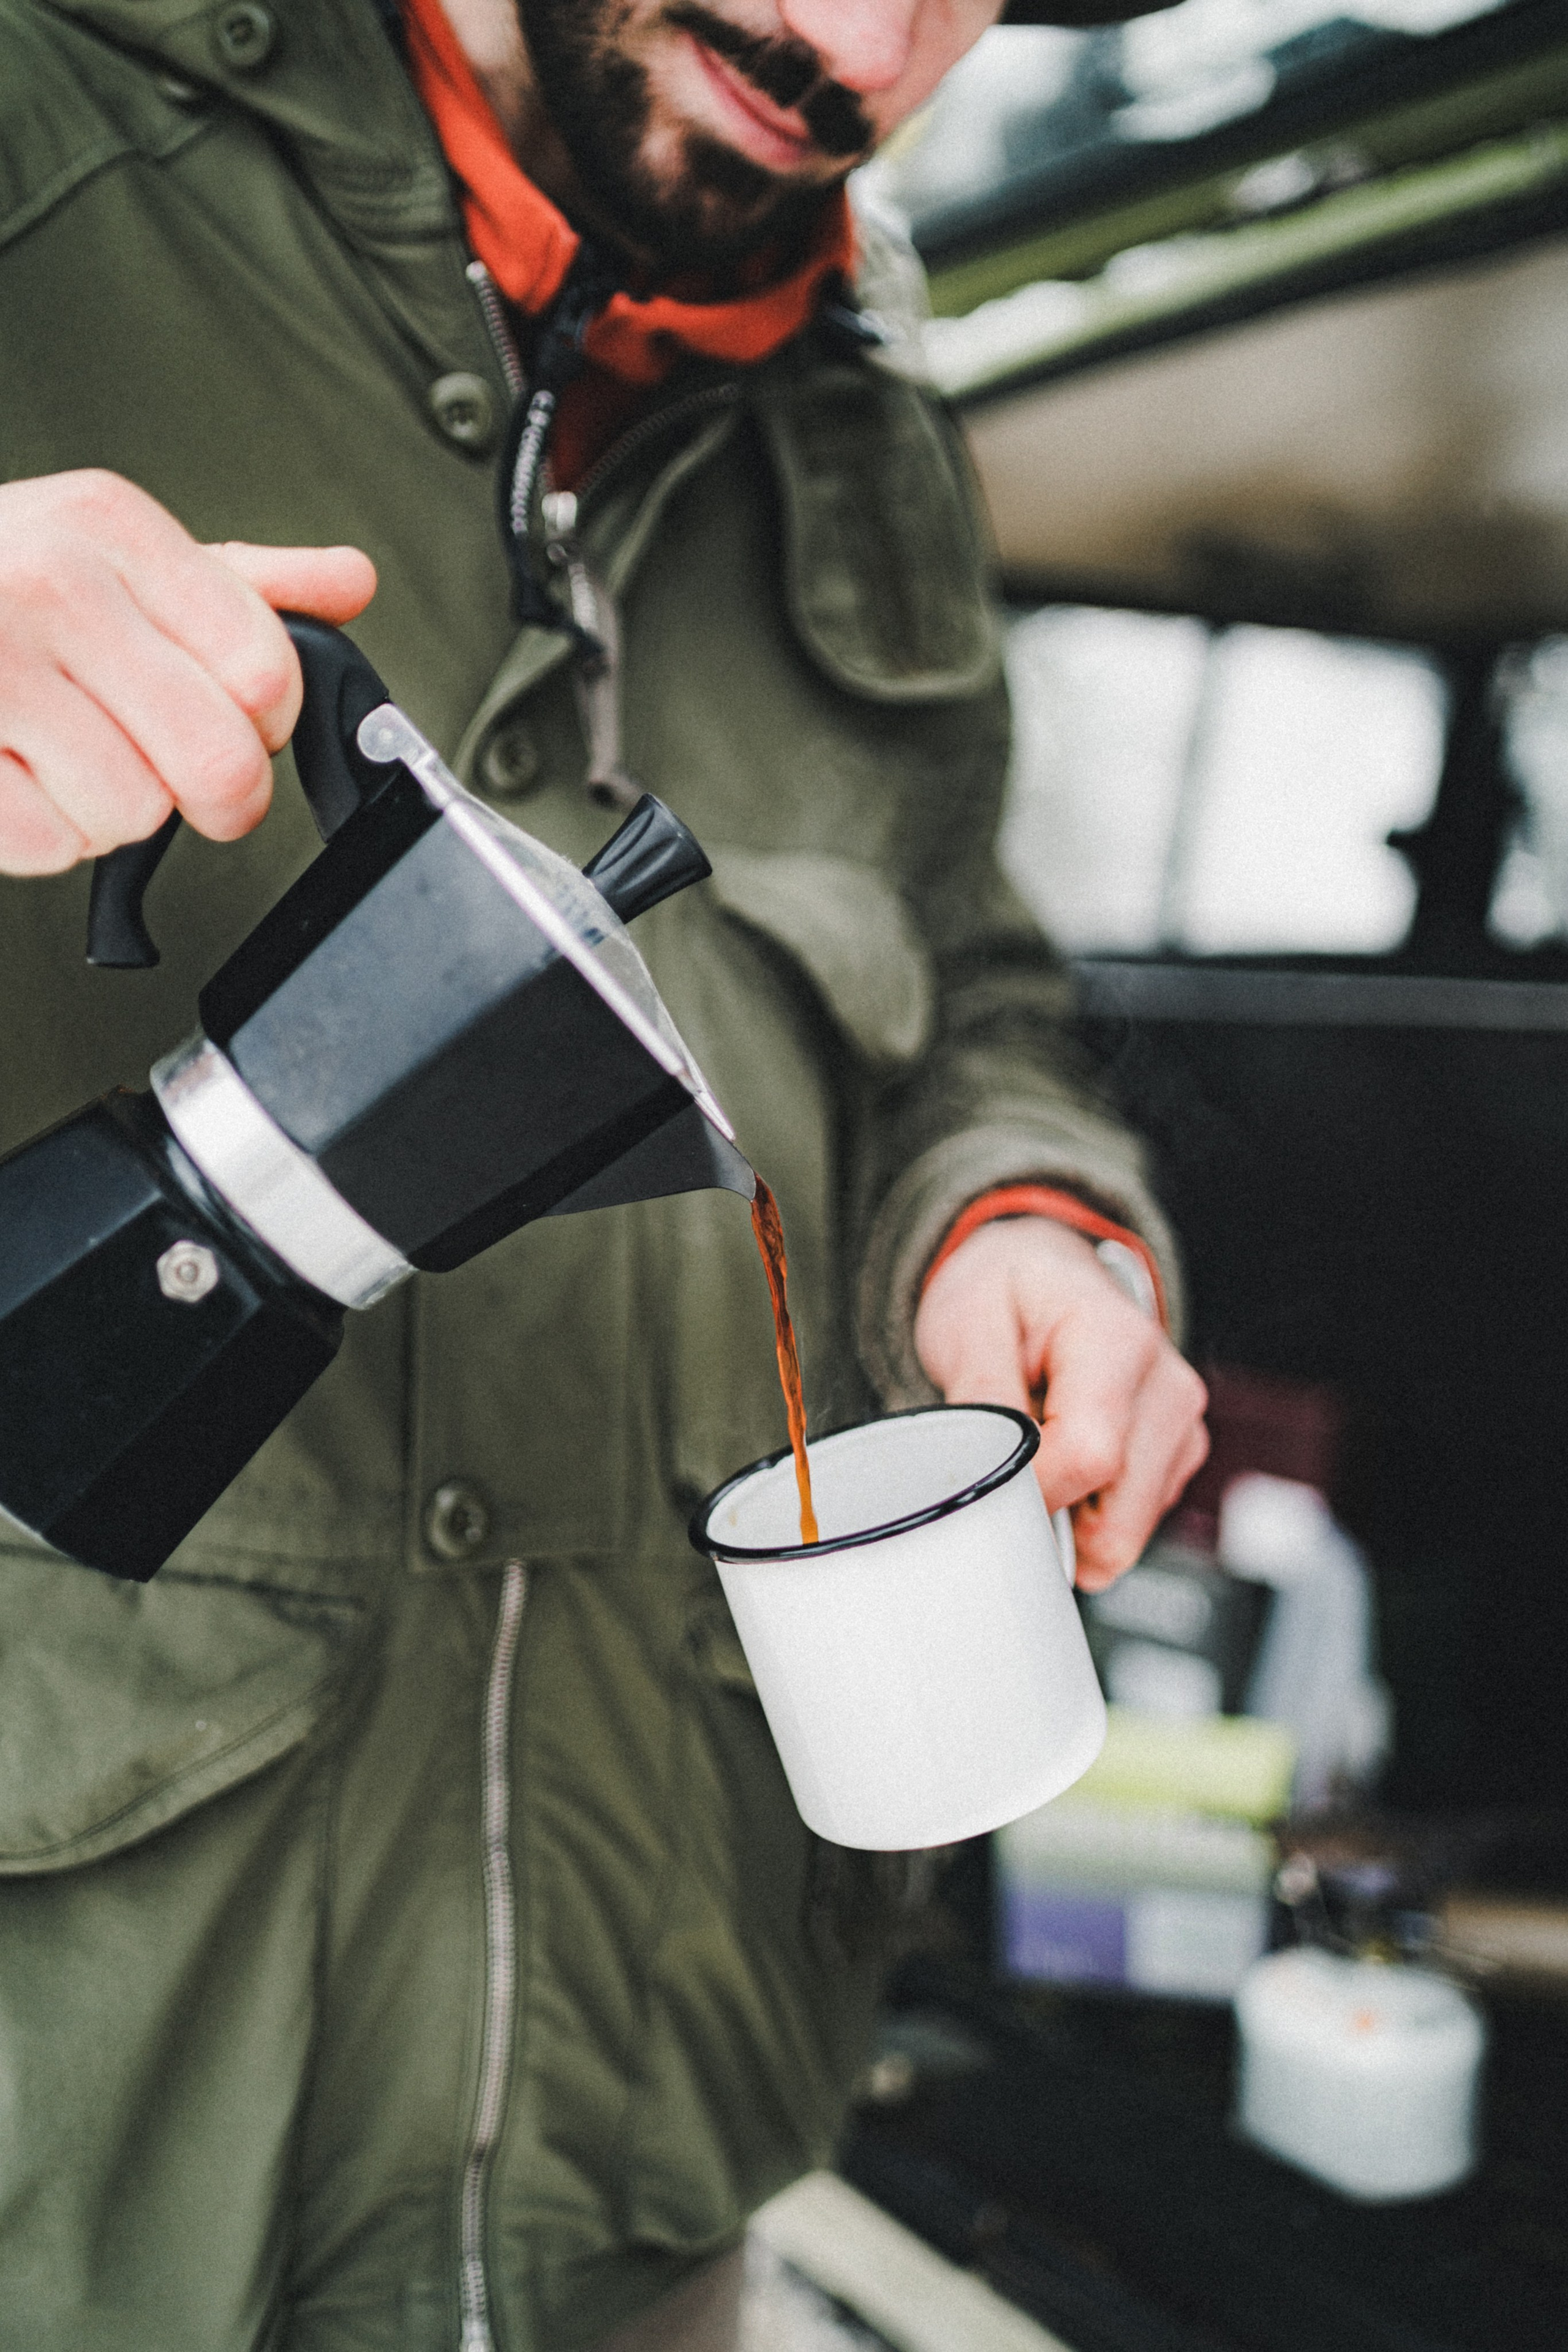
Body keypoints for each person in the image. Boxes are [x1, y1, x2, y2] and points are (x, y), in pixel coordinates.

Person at [0, 2, 1203, 2346]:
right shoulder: (48, 129)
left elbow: (967, 988)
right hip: (83, 2139)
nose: (857, 37)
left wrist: (1019, 1209)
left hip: (639, 2160)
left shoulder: (876, 462)